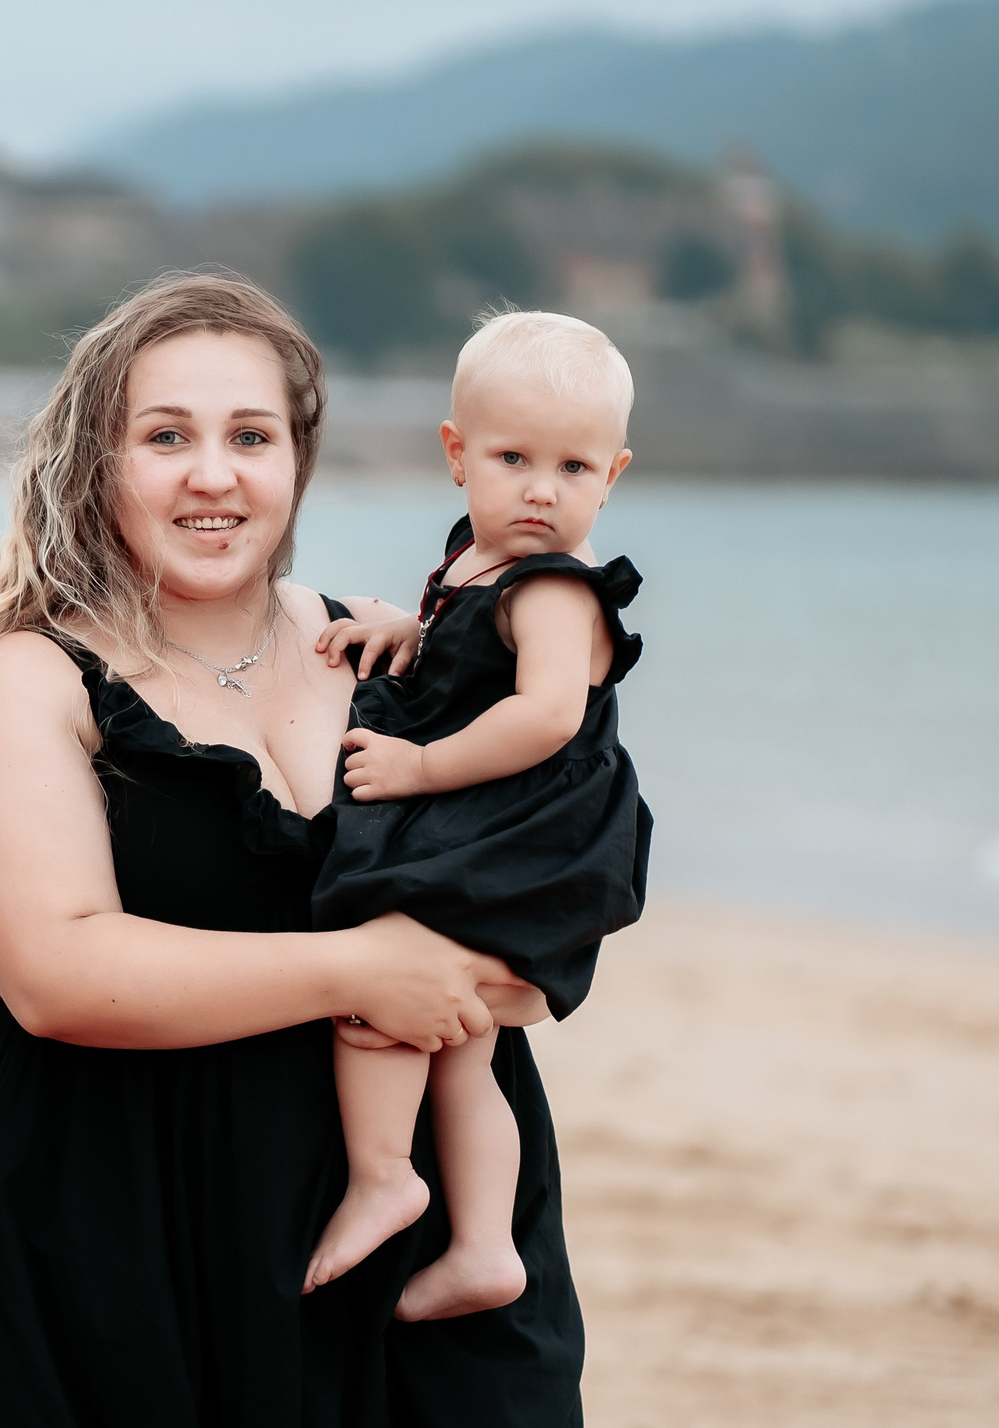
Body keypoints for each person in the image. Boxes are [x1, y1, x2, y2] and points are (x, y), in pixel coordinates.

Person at [0, 274, 582, 1428]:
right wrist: (360, 973)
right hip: (139, 1242)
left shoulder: (392, 652)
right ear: (96, 464)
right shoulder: (32, 678)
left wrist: (511, 966)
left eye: (249, 436)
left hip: (423, 1262)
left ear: (298, 462)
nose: (212, 475)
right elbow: (56, 976)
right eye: (166, 436)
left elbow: (554, 865)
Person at [302, 309, 650, 1320]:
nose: (543, 490)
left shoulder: (557, 592)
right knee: (460, 1043)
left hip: (525, 842)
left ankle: (383, 1178)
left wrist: (417, 768)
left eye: (575, 470)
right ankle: (486, 1246)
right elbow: (464, 647)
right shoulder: (477, 563)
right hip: (493, 833)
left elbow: (543, 716)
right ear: (457, 456)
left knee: (381, 982)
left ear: (613, 476)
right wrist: (403, 630)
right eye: (513, 458)